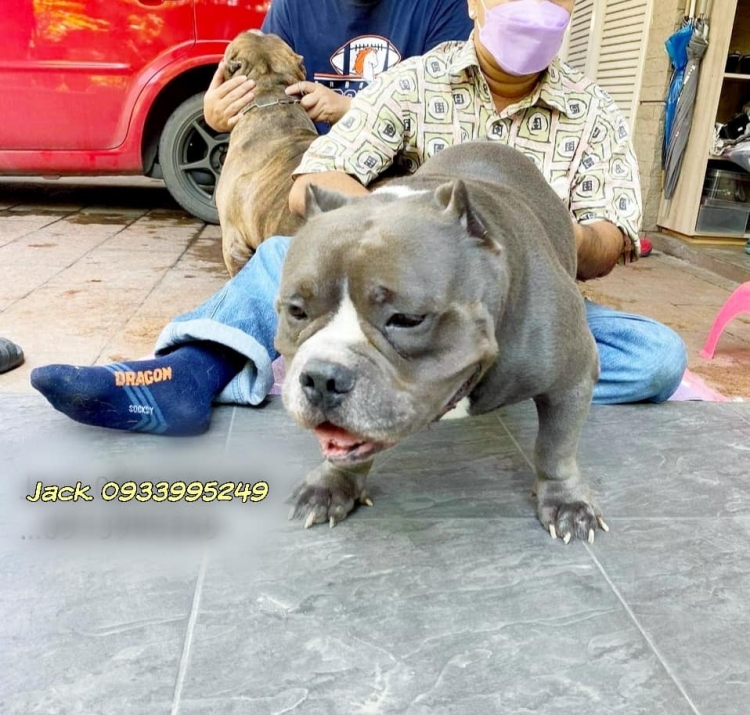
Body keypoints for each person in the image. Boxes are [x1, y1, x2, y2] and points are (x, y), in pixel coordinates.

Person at [31, 0, 688, 437]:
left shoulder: (595, 111)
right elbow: (310, 181)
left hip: (529, 308)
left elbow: (611, 240)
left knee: (657, 357)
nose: (532, 6)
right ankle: (189, 374)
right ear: (474, 5)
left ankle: (463, 384)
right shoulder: (416, 81)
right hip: (397, 306)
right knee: (283, 255)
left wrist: (557, 235)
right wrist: (398, 221)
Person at [203, 0, 473, 134]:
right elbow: (266, 95)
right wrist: (220, 114)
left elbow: (454, 111)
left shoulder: (443, 6)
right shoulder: (294, 6)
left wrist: (351, 109)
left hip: (406, 171)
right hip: (313, 167)